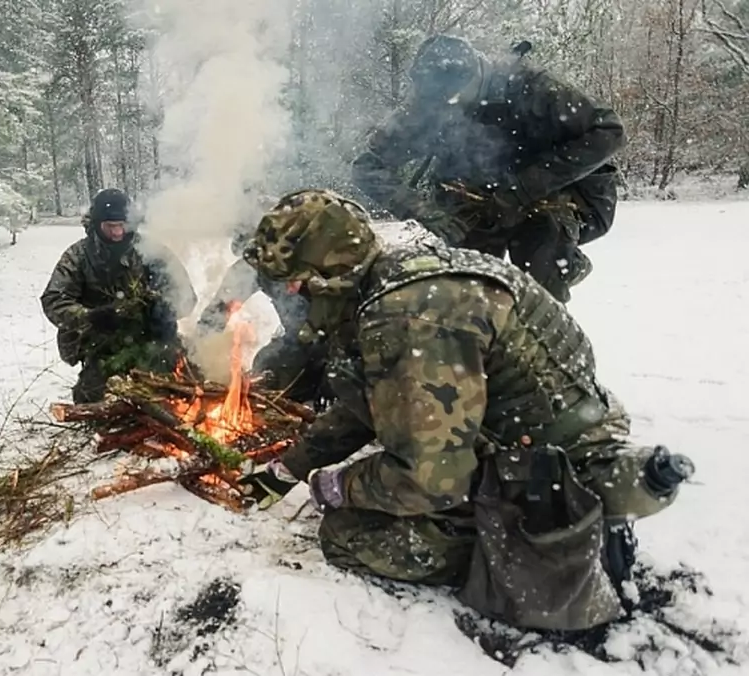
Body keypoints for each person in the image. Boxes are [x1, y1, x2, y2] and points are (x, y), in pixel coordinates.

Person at [236, 190, 693, 631]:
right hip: (560, 434)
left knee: (345, 535)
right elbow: (376, 400)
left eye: (295, 282)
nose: (292, 294)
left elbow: (429, 481)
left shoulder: (405, 318)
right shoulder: (405, 276)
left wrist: (339, 486)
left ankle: (533, 544)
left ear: (327, 272)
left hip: (542, 471)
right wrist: (292, 467)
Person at [350, 35, 624, 302]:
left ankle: (555, 285)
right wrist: (425, 213)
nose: (447, 108)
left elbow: (609, 130)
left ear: (475, 76)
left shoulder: (532, 86)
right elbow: (367, 167)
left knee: (539, 268)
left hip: (557, 196)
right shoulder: (429, 104)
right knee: (467, 288)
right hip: (477, 201)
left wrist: (523, 189)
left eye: (454, 98)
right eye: (437, 101)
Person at [41, 188, 197, 403]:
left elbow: (186, 295)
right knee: (91, 396)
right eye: (110, 226)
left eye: (121, 225)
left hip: (150, 337)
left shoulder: (151, 251)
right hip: (101, 343)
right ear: (96, 225)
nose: (117, 233)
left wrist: (165, 309)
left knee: (189, 379)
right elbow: (53, 300)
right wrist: (90, 316)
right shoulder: (78, 256)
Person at [197, 218, 325, 405]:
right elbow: (218, 309)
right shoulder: (251, 268)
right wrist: (198, 346)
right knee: (267, 363)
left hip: (333, 344)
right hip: (295, 341)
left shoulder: (312, 263)